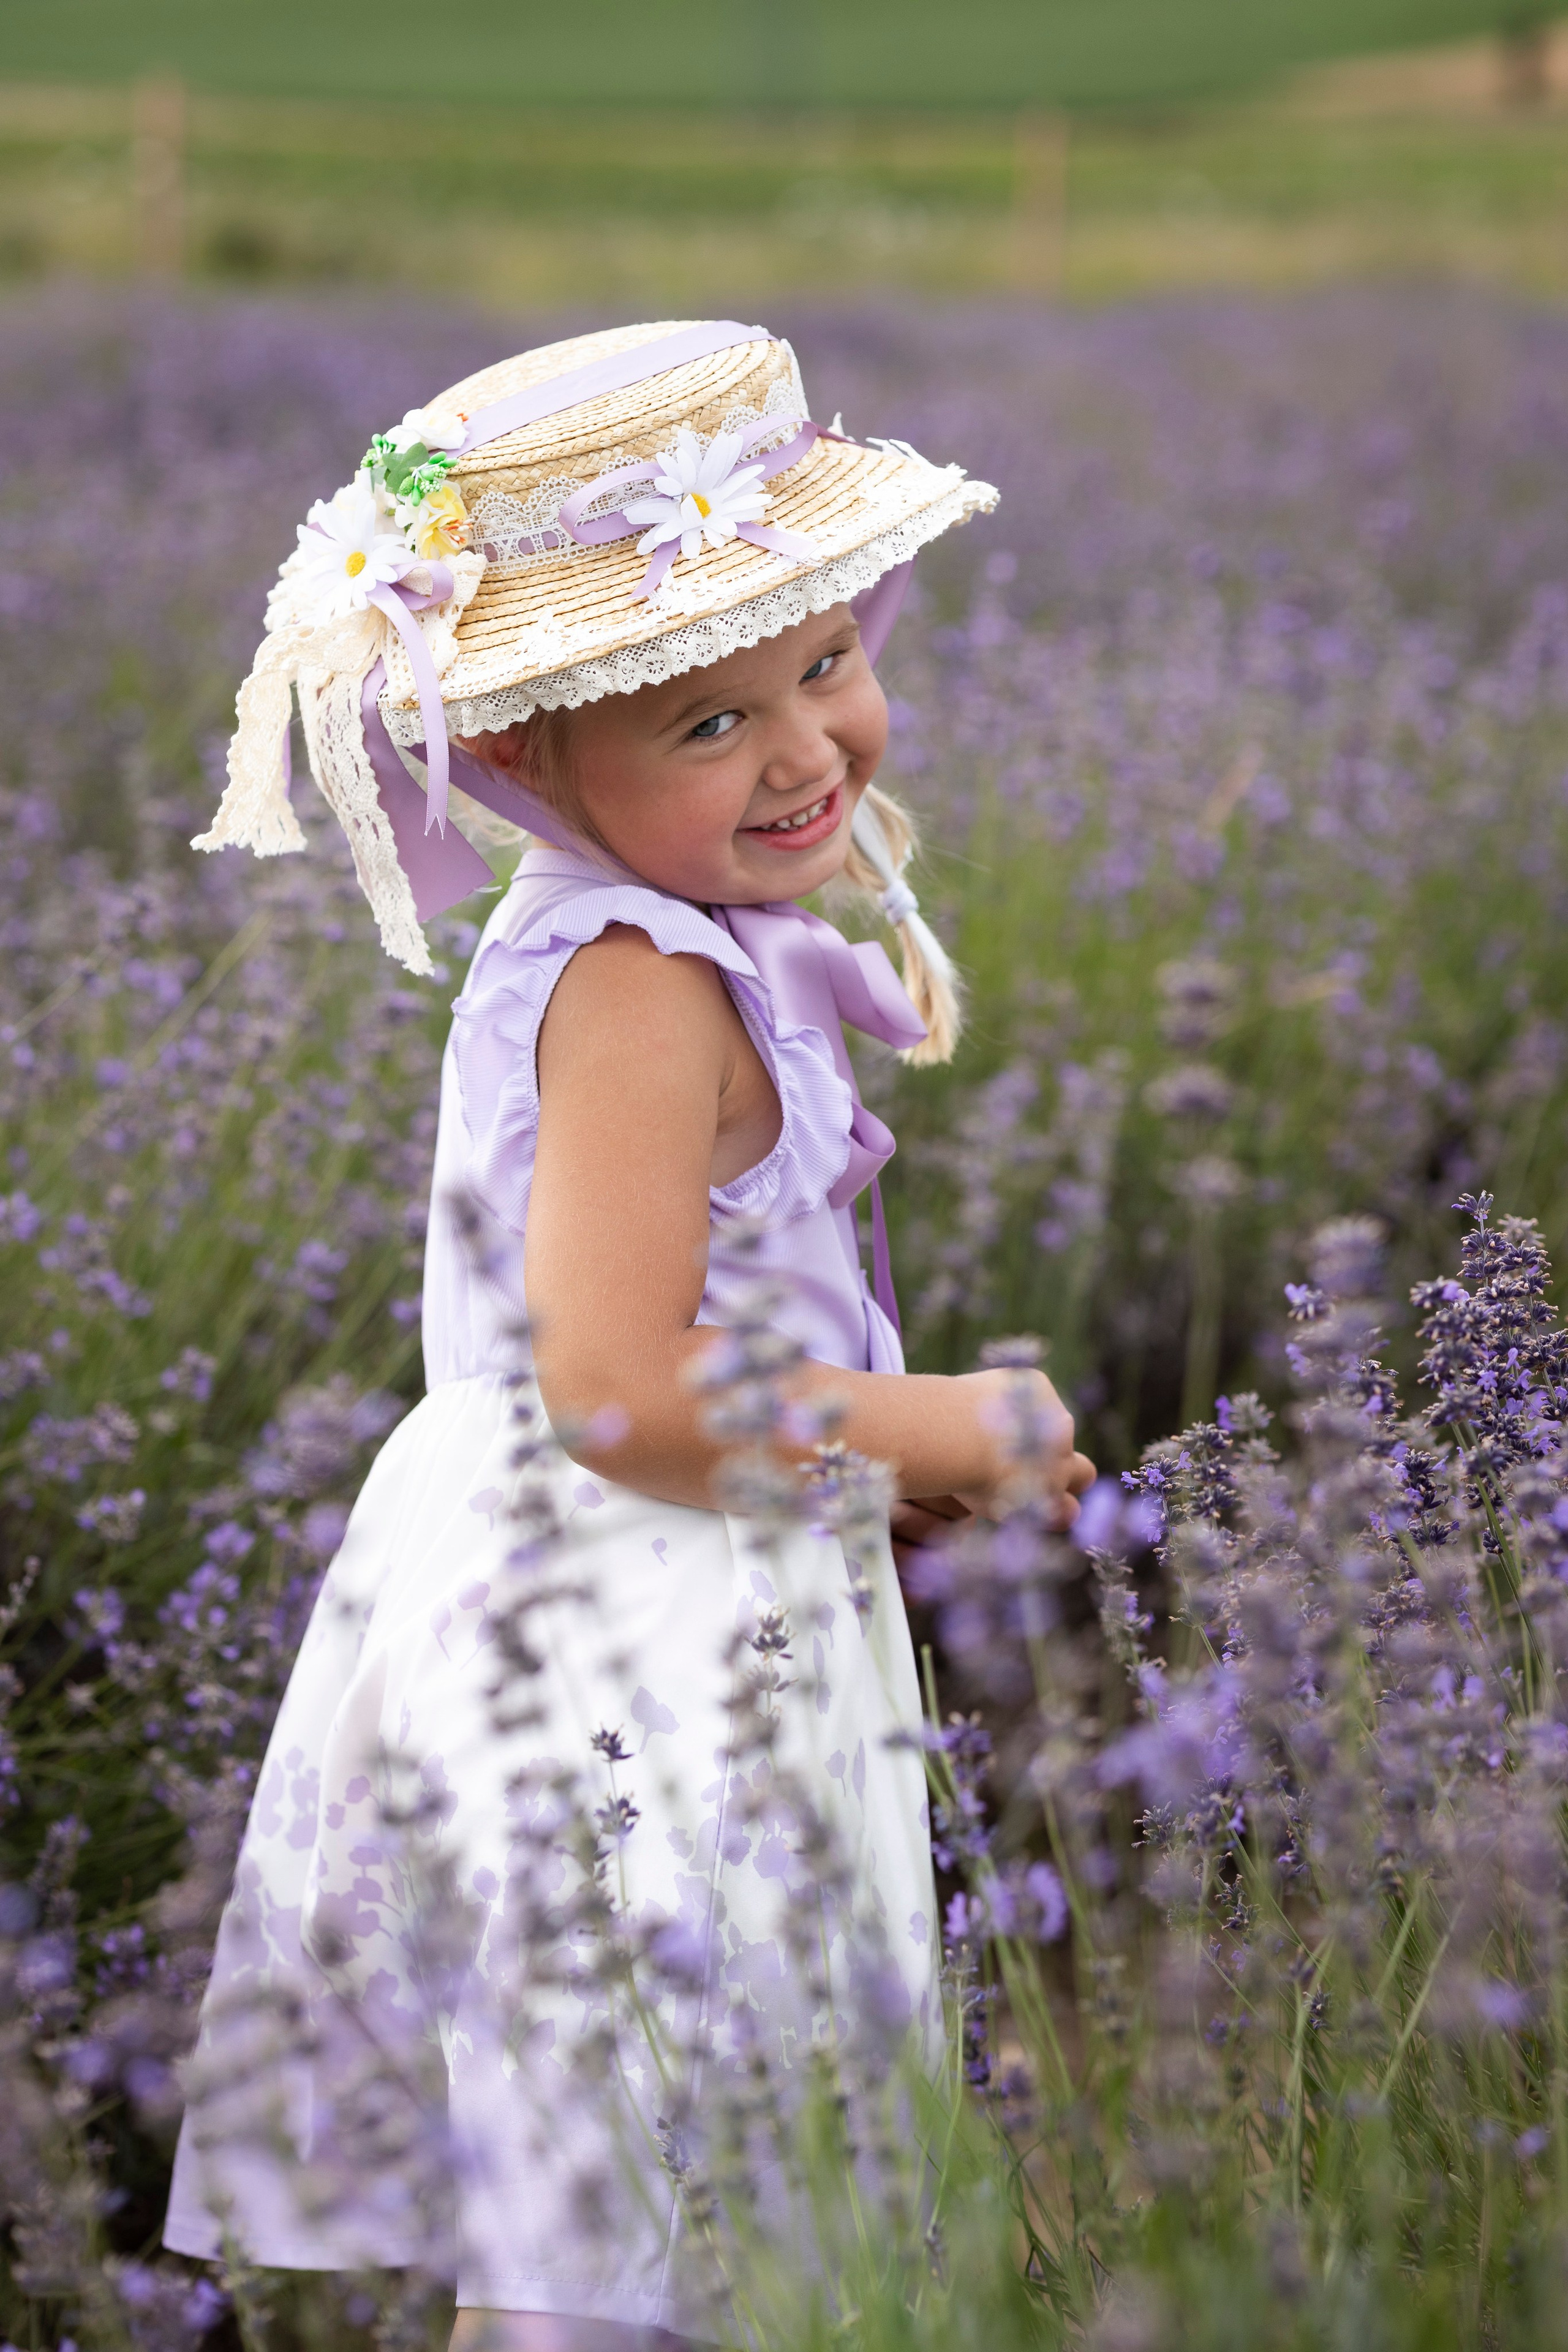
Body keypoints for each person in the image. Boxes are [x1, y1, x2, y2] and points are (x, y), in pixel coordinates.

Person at [163, 320, 1093, 2349]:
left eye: (827, 663)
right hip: (628, 1651)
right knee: (672, 2196)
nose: (804, 750)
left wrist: (869, 1459)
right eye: (704, 723)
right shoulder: (643, 985)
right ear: (518, 759)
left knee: (687, 2184)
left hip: (671, 1582)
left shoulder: (693, 941)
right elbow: (613, 1386)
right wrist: (956, 1415)